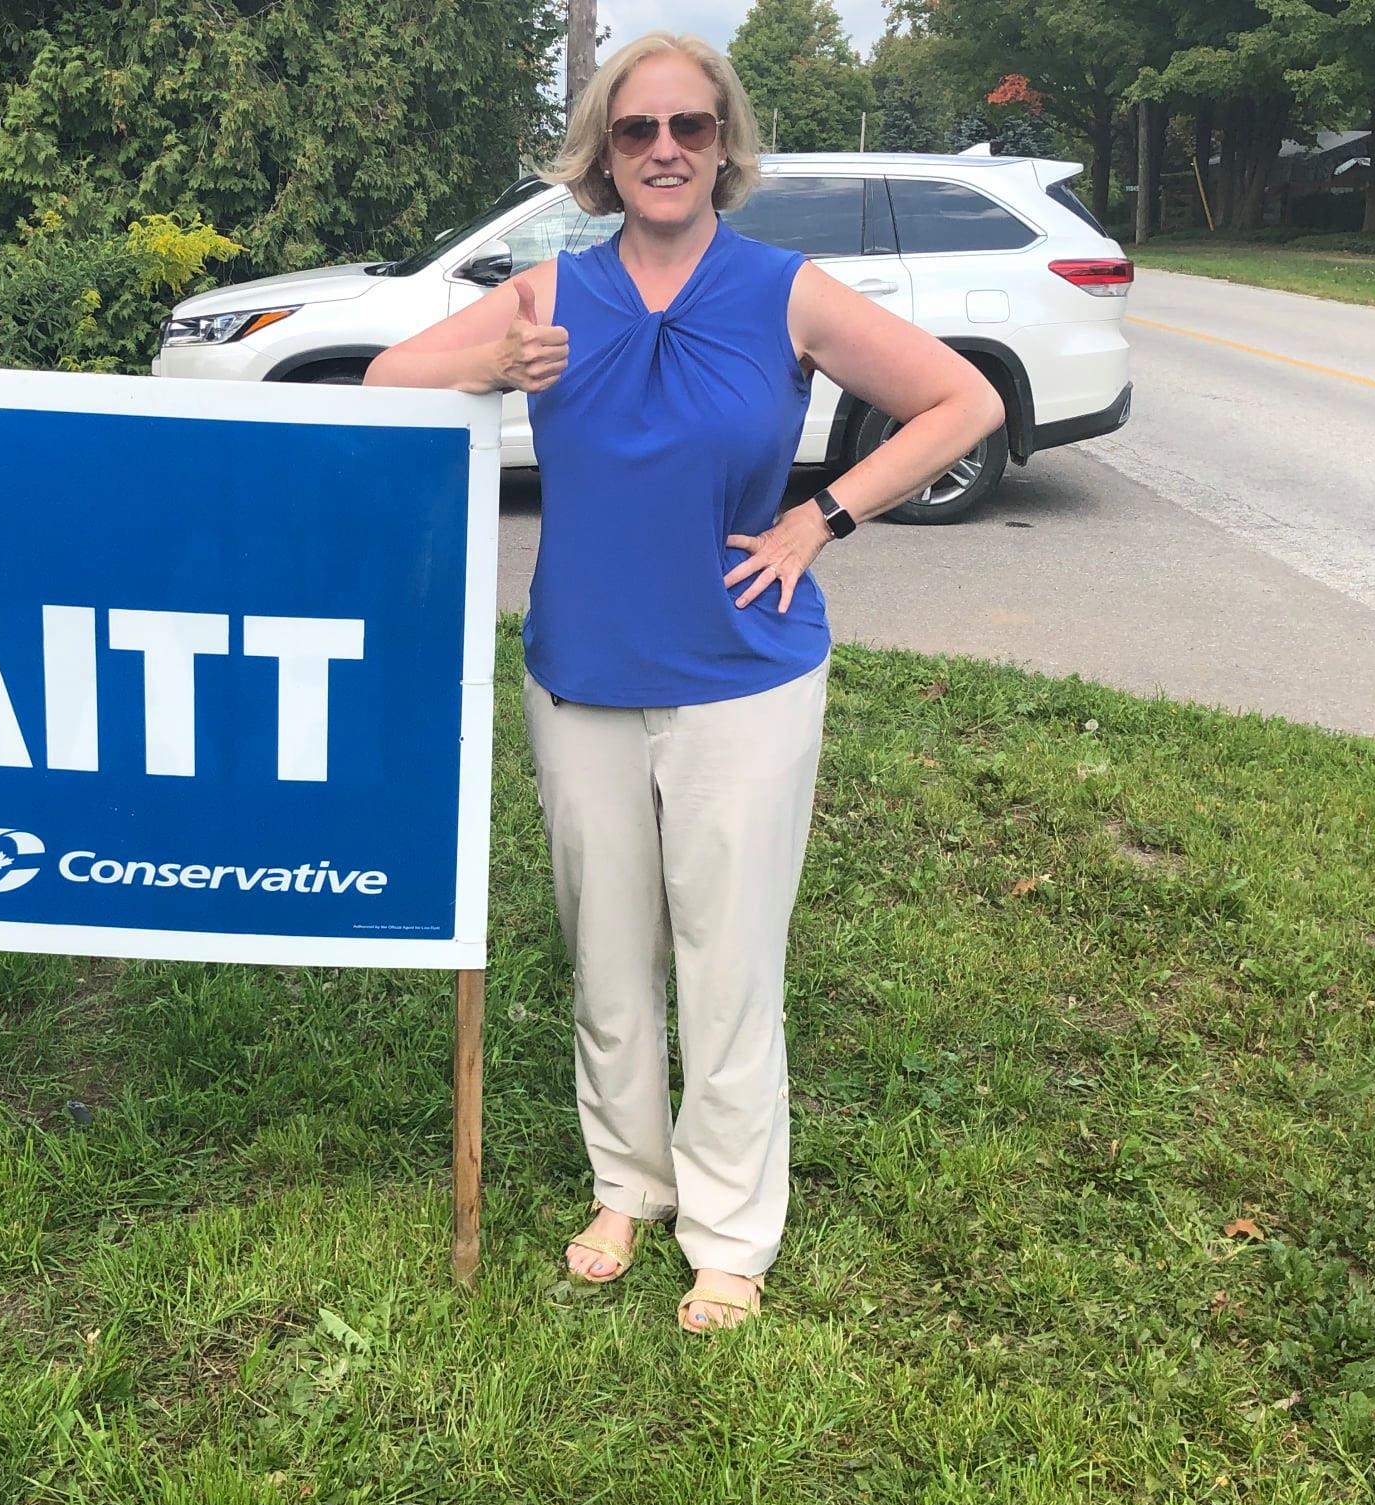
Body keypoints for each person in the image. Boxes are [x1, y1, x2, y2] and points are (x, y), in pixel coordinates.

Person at [366, 31, 1003, 1332]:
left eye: (691, 129)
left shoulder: (789, 293)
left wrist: (820, 519)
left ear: (725, 147)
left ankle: (729, 1232)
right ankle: (628, 1185)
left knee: (728, 958)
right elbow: (386, 380)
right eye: (636, 131)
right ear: (603, 153)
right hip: (580, 672)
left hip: (743, 678)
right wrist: (496, 370)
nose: (665, 150)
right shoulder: (549, 295)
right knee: (607, 954)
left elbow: (959, 403)